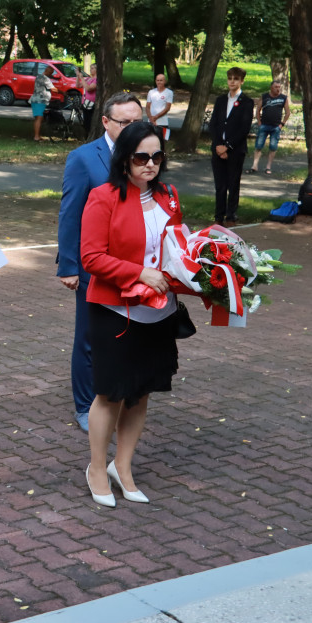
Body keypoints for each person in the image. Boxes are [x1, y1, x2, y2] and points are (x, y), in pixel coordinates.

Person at [80, 121, 183, 508]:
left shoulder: (168, 195)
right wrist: (139, 272)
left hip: (159, 310)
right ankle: (95, 468)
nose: (151, 164)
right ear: (124, 158)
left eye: (157, 156)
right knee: (110, 393)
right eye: (142, 157)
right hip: (115, 310)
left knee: (140, 393)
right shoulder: (103, 197)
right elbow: (91, 257)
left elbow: (176, 245)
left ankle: (121, 466)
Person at [56, 92, 144, 432]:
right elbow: (70, 213)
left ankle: (118, 395)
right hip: (94, 265)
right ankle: (83, 406)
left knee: (128, 333)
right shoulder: (83, 158)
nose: (132, 128)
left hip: (135, 266)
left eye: (138, 121)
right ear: (106, 122)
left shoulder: (145, 158)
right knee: (91, 337)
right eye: (125, 123)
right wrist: (68, 265)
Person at [210, 67, 254, 227]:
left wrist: (227, 147)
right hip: (217, 149)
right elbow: (213, 124)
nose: (232, 81)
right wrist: (218, 146)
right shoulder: (221, 100)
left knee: (233, 184)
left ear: (241, 81)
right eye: (230, 78)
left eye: (236, 79)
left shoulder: (247, 102)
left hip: (235, 150)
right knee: (219, 185)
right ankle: (218, 216)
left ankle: (231, 216)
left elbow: (244, 128)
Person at [249, 81, 290, 175]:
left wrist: (281, 124)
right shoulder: (264, 97)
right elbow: (258, 110)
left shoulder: (283, 98)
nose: (278, 89)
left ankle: (268, 167)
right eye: (276, 87)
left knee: (273, 147)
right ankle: (254, 165)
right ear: (271, 87)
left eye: (279, 87)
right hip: (264, 125)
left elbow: (287, 112)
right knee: (259, 145)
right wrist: (259, 123)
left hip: (276, 127)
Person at [30, 65, 58, 141]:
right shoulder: (45, 78)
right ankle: (36, 137)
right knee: (39, 118)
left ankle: (38, 135)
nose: (51, 74)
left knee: (39, 118)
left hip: (35, 99)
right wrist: (62, 92)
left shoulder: (38, 76)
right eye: (51, 72)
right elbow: (53, 89)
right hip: (40, 100)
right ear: (47, 71)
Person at [146, 73, 174, 138]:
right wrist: (151, 119)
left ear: (165, 81)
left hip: (163, 122)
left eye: (161, 80)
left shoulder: (169, 93)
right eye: (157, 80)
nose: (159, 82)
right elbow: (147, 107)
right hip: (151, 122)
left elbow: (167, 108)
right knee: (150, 140)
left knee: (163, 141)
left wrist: (156, 117)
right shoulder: (151, 92)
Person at [77, 64, 98, 132]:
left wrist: (82, 78)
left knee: (89, 121)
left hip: (91, 103)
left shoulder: (96, 80)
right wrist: (78, 76)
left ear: (96, 70)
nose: (90, 70)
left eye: (92, 68)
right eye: (90, 68)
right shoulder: (88, 79)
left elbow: (88, 88)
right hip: (85, 102)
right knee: (86, 121)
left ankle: (88, 134)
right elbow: (78, 85)